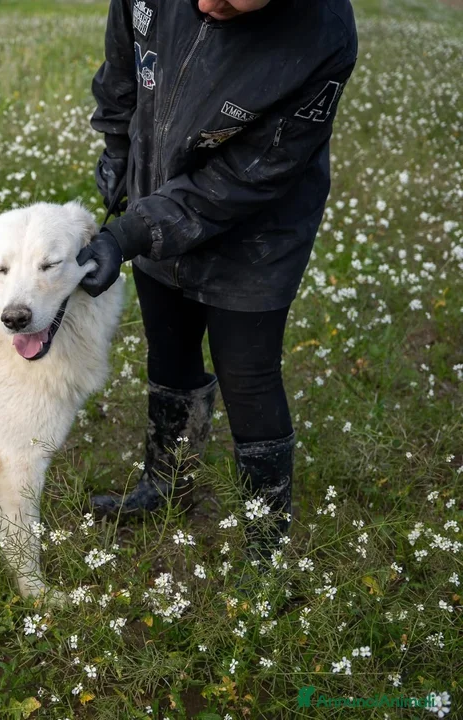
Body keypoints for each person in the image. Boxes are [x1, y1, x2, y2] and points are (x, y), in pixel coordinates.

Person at [78, 0, 358, 553]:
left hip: (258, 227)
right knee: (169, 345)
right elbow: (125, 65)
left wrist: (130, 235)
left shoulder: (320, 32)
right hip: (158, 184)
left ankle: (265, 541)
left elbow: (244, 179)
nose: (209, 5)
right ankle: (166, 485)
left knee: (248, 373)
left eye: (235, 0)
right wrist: (118, 147)